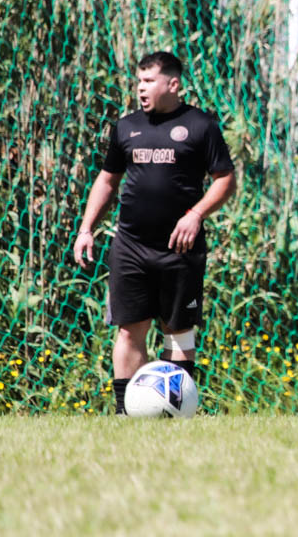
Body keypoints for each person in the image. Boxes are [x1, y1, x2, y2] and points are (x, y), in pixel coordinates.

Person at [73, 51, 236, 414]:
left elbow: (225, 179)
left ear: (172, 84)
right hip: (131, 246)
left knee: (178, 331)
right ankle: (125, 413)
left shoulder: (200, 126)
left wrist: (196, 215)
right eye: (139, 81)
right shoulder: (126, 127)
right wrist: (86, 229)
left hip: (180, 249)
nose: (140, 88)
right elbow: (107, 180)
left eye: (148, 81)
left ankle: (174, 412)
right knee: (129, 330)